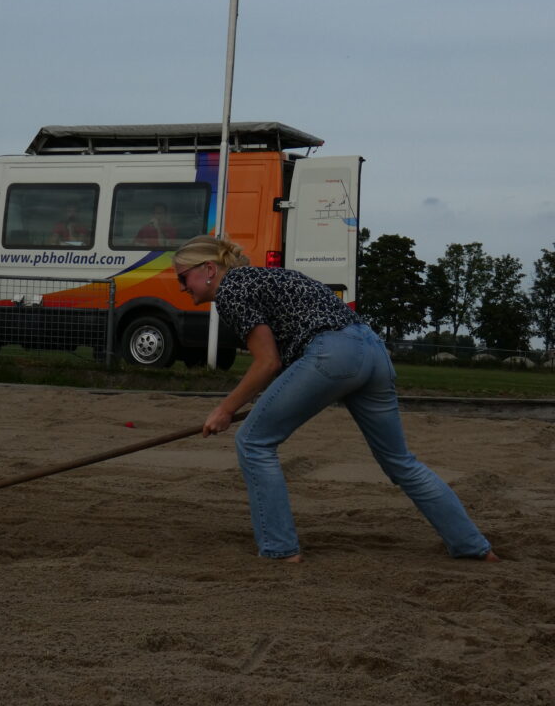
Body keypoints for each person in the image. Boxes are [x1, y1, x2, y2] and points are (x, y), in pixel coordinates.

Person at [173, 234, 499, 564]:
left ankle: (279, 550)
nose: (182, 287)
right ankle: (474, 547)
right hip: (373, 353)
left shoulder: (231, 290)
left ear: (209, 269)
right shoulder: (263, 278)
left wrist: (225, 409)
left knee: (253, 442)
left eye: (183, 278)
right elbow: (280, 362)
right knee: (400, 461)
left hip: (332, 355)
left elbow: (267, 362)